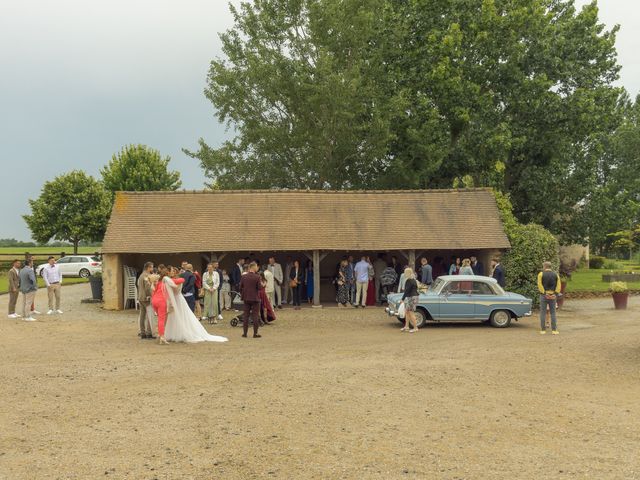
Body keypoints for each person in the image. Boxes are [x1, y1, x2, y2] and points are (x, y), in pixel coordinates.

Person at [161, 266, 228, 343]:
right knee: (174, 316)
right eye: (171, 271)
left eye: (173, 271)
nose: (172, 272)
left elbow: (177, 285)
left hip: (179, 299)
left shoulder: (175, 280)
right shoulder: (171, 280)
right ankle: (173, 333)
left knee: (183, 315)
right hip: (176, 299)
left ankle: (182, 333)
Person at [538, 261, 561, 335]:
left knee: (543, 312)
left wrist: (544, 293)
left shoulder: (541, 274)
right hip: (553, 296)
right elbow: (558, 285)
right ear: (550, 267)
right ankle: (554, 330)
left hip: (544, 295)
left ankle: (543, 330)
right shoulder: (556, 274)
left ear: (544, 266)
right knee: (553, 313)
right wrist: (555, 294)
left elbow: (539, 285)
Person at [239, 262, 262, 338]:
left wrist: (243, 293)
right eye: (256, 267)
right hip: (255, 298)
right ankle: (255, 333)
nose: (257, 268)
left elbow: (240, 287)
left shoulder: (244, 277)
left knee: (246, 316)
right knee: (255, 316)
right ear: (253, 267)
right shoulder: (257, 277)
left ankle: (245, 333)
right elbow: (259, 288)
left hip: (246, 298)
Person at [136, 262, 155, 339]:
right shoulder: (146, 276)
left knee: (142, 316)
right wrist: (151, 295)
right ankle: (148, 333)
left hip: (140, 297)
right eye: (152, 267)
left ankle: (142, 332)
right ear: (148, 267)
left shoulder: (141, 275)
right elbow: (147, 288)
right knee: (149, 315)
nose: (152, 269)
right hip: (146, 298)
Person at [400, 268, 419, 333]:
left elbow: (406, 291)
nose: (404, 273)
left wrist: (402, 299)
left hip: (411, 297)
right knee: (407, 311)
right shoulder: (413, 280)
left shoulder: (408, 280)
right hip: (414, 296)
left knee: (411, 312)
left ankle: (415, 327)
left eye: (405, 272)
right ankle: (406, 326)